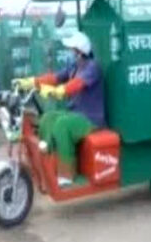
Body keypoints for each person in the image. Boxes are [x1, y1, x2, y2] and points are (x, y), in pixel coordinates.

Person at [16, 31, 104, 186]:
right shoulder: (74, 66)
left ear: (80, 52)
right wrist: (32, 82)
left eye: (72, 50)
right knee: (48, 118)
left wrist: (57, 91)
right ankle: (47, 162)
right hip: (75, 113)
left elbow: (76, 84)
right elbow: (55, 77)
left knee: (62, 126)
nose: (70, 52)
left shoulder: (92, 68)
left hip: (91, 118)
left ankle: (67, 176)